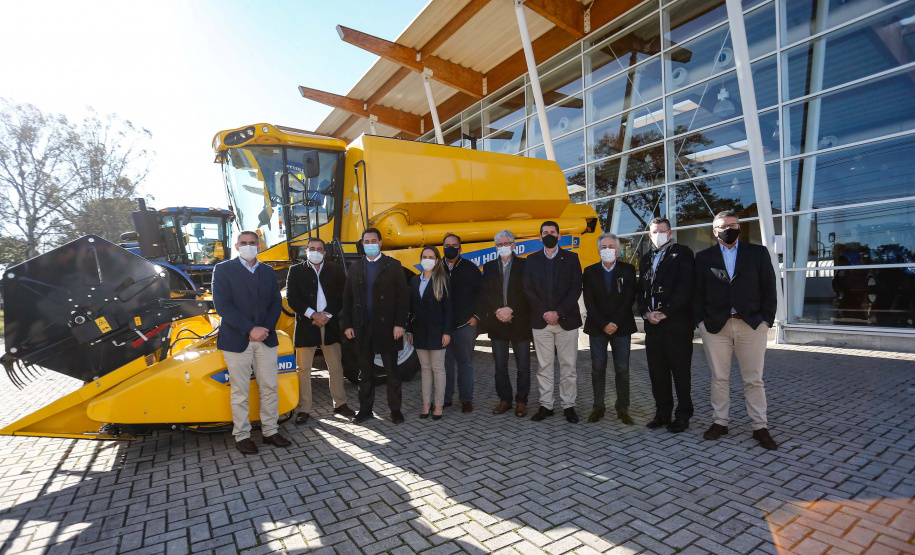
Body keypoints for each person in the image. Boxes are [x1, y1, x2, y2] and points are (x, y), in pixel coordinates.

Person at [694, 210, 778, 450]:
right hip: (715, 327)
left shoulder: (757, 253)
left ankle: (759, 427)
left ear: (739, 227)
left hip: (750, 325)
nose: (728, 228)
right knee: (719, 378)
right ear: (714, 231)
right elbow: (697, 294)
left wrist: (766, 321)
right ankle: (720, 422)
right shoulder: (703, 258)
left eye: (733, 224)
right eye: (723, 226)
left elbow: (769, 288)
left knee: (753, 379)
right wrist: (700, 322)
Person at [212, 230, 290, 455]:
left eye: (252, 243)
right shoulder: (223, 270)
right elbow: (222, 305)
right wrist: (250, 329)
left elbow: (276, 303)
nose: (248, 246)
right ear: (236, 246)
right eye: (243, 243)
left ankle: (270, 431)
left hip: (265, 339)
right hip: (237, 339)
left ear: (259, 245)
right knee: (240, 391)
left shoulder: (267, 271)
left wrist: (263, 330)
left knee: (270, 387)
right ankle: (242, 435)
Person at [341, 228, 410, 425]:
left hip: (388, 328)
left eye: (374, 241)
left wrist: (399, 324)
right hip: (363, 328)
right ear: (362, 244)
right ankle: (365, 410)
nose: (370, 244)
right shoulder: (355, 268)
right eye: (366, 241)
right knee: (365, 373)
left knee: (392, 372)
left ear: (380, 243)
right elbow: (347, 298)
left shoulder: (393, 266)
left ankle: (395, 410)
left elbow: (403, 298)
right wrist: (347, 324)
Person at [285, 237, 355, 425]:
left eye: (319, 248)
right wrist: (313, 315)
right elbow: (292, 299)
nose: (315, 251)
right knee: (303, 369)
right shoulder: (295, 271)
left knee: (336, 366)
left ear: (325, 252)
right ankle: (303, 409)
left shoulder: (336, 270)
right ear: (306, 251)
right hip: (307, 325)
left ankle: (340, 404)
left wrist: (327, 316)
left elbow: (342, 296)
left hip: (330, 324)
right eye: (311, 248)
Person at [638, 217, 695, 433]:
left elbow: (685, 288)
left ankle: (683, 415)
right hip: (653, 326)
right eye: (655, 231)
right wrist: (645, 312)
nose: (659, 234)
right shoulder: (645, 259)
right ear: (650, 235)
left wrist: (665, 312)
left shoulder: (682, 254)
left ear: (670, 233)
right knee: (658, 373)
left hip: (676, 325)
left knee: (680, 373)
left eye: (663, 231)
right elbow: (641, 291)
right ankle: (662, 413)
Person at [523, 221, 583, 423]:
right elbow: (528, 290)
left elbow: (575, 289)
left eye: (552, 232)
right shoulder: (531, 260)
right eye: (545, 232)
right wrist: (546, 313)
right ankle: (546, 405)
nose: (549, 235)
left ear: (559, 236)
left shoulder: (572, 258)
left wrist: (558, 312)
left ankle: (569, 405)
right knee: (544, 366)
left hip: (566, 320)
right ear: (540, 237)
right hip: (541, 322)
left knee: (568, 366)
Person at [476, 230, 532, 417]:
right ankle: (505, 400)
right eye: (499, 244)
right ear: (496, 247)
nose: (503, 247)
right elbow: (485, 293)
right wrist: (498, 311)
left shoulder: (525, 265)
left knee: (523, 365)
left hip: (520, 322)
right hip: (497, 322)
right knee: (500, 366)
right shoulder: (489, 266)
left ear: (514, 245)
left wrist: (511, 309)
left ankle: (522, 401)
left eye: (507, 243)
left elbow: (528, 292)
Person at [582, 233, 637, 424]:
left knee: (622, 369)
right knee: (598, 368)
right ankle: (598, 407)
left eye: (611, 246)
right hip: (597, 328)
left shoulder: (628, 270)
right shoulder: (589, 272)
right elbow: (589, 302)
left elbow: (629, 299)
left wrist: (615, 323)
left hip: (621, 328)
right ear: (598, 250)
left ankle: (622, 408)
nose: (607, 250)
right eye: (603, 247)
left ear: (618, 249)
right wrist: (604, 323)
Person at [406, 246, 452, 420]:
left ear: (437, 260)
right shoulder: (414, 280)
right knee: (425, 369)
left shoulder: (443, 280)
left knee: (438, 368)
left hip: (438, 331)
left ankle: (438, 405)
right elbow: (411, 308)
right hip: (419, 331)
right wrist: (409, 330)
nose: (427, 259)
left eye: (430, 257)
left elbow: (449, 309)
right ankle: (426, 404)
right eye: (424, 256)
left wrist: (447, 332)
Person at [442, 234, 483, 413]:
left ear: (460, 248)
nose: (451, 248)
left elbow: (482, 294)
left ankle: (466, 399)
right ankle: (445, 398)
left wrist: (477, 316)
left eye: (454, 245)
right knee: (445, 363)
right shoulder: (436, 268)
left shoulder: (470, 268)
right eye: (447, 245)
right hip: (443, 327)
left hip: (465, 325)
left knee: (465, 363)